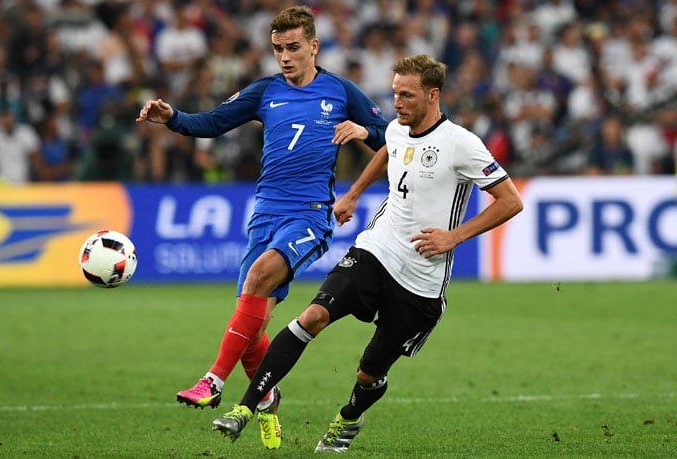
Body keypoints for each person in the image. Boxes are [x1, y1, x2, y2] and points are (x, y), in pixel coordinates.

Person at [211, 54, 524, 452]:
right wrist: (354, 194)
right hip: (378, 248)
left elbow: (510, 200)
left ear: (433, 95)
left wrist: (454, 237)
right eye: (395, 93)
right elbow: (387, 152)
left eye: (407, 95)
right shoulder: (396, 129)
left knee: (369, 372)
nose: (397, 103)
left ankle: (349, 417)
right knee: (312, 315)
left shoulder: (461, 144)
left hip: (421, 279)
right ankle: (246, 407)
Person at [135, 6, 387, 450]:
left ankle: (213, 380)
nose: (285, 57)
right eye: (277, 49)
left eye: (293, 48)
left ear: (313, 46)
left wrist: (362, 129)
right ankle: (268, 396)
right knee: (252, 322)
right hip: (264, 213)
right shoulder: (265, 91)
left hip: (309, 214)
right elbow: (211, 123)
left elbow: (391, 137)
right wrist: (172, 116)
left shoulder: (340, 90)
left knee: (257, 279)